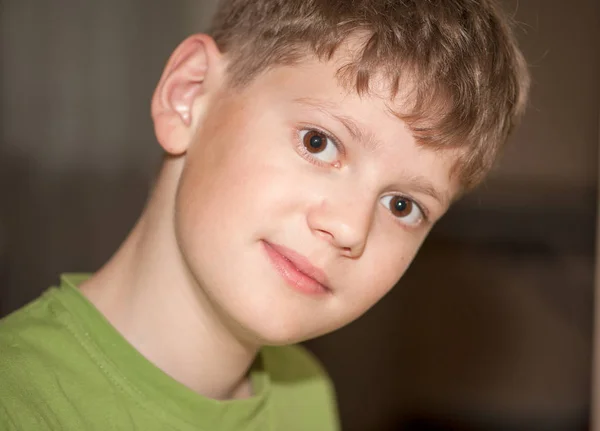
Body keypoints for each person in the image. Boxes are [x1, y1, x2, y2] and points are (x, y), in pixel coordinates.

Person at [0, 0, 530, 429]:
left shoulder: (307, 398)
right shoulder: (18, 399)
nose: (349, 228)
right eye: (319, 143)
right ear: (189, 97)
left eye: (402, 206)